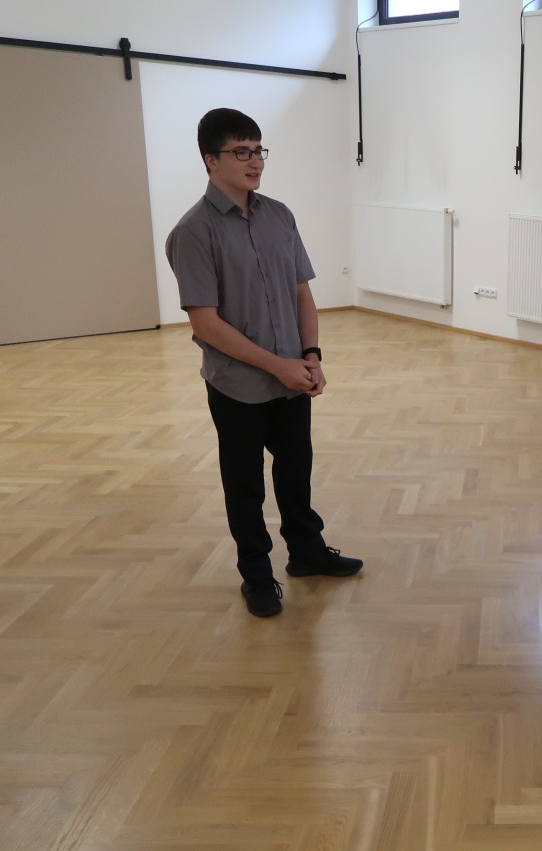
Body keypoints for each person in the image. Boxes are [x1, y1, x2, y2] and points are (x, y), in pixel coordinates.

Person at [165, 108, 362, 618]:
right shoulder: (193, 232)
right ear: (211, 160)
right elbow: (205, 324)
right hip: (237, 385)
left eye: (258, 151)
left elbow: (302, 294)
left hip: (292, 376)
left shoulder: (279, 216)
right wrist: (278, 365)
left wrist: (311, 356)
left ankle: (307, 552)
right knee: (245, 485)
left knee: (296, 471)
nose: (254, 162)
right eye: (240, 152)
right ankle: (256, 575)